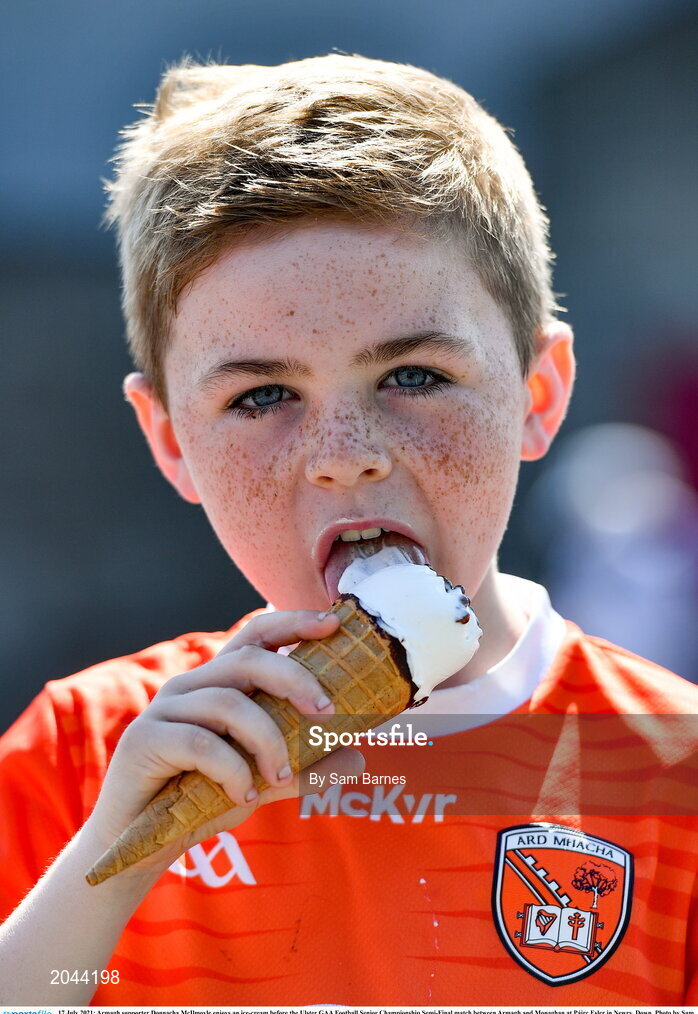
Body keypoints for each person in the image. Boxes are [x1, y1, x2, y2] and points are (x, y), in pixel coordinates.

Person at [0, 54, 695, 1006]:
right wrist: (108, 873)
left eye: (413, 376)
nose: (344, 454)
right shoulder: (81, 754)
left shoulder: (674, 767)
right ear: (169, 441)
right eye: (264, 395)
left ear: (537, 395)